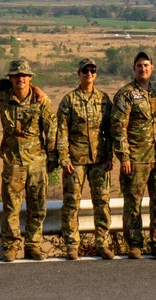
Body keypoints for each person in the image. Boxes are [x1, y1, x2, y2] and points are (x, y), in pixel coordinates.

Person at [0, 59, 57, 262]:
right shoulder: (2, 98)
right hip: (12, 162)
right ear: (10, 78)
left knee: (37, 206)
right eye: (16, 76)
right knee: (11, 208)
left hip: (36, 162)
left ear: (30, 77)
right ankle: (10, 247)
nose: (20, 79)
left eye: (24, 76)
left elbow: (51, 131)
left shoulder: (40, 100)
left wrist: (51, 160)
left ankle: (33, 245)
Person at [111, 51, 156, 260]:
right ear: (134, 68)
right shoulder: (125, 94)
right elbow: (118, 128)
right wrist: (124, 157)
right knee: (133, 203)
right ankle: (135, 244)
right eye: (139, 66)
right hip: (135, 158)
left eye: (146, 65)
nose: (143, 69)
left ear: (152, 68)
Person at [56, 58, 115, 260]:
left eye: (92, 70)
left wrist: (111, 155)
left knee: (102, 202)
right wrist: (64, 159)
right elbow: (61, 132)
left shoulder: (105, 99)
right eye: (85, 70)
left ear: (96, 74)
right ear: (79, 73)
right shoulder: (69, 100)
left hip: (99, 159)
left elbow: (111, 130)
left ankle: (102, 243)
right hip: (76, 160)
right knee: (72, 203)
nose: (88, 73)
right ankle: (72, 245)